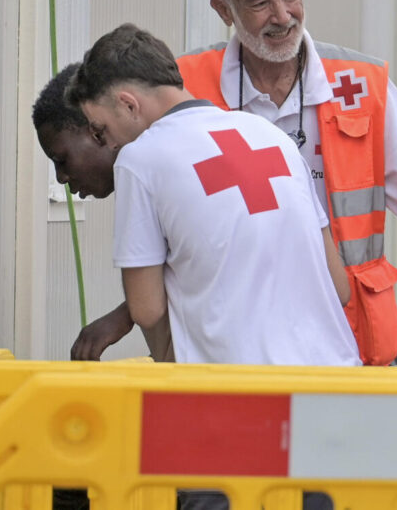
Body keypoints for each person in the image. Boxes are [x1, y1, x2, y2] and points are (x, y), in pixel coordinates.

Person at [177, 0, 397, 366]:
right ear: (223, 9)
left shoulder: (361, 84)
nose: (283, 16)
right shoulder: (185, 88)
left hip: (346, 337)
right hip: (230, 340)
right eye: (259, 3)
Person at [65, 22, 359, 368]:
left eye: (101, 130)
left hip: (241, 390)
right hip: (334, 376)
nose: (110, 143)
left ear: (128, 105)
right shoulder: (271, 136)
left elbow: (147, 308)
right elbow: (340, 288)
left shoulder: (140, 158)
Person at [32, 64, 138, 361]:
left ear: (95, 132)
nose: (62, 178)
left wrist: (124, 317)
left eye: (62, 160)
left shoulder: (155, 172)